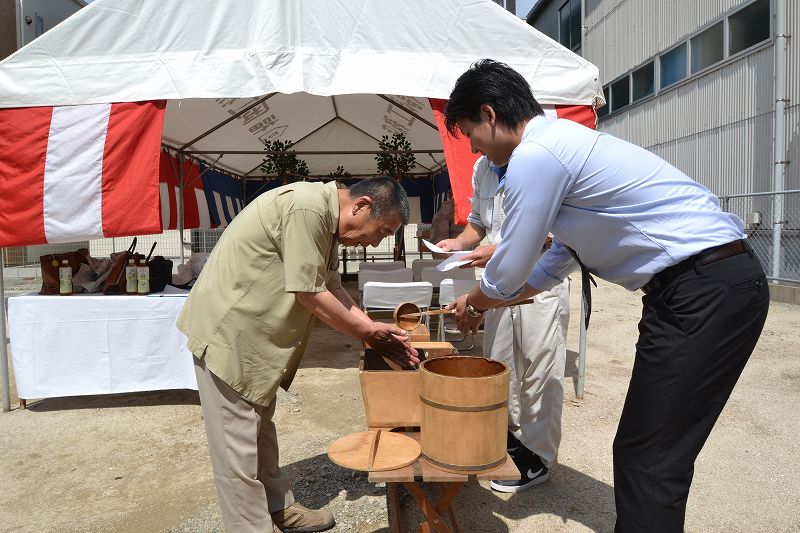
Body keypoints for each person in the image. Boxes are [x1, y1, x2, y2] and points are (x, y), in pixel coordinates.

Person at [444, 59, 769, 532]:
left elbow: (512, 263)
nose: (471, 144)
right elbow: (550, 265)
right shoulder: (561, 147)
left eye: (470, 130)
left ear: (489, 114)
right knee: (651, 450)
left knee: (650, 455)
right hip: (706, 285)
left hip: (702, 287)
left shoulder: (537, 155)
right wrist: (493, 298)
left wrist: (476, 303)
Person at [177, 177, 419, 533]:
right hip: (230, 335)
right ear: (362, 205)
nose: (375, 241)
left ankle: (280, 509)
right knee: (236, 452)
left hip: (255, 341)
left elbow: (332, 284)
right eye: (381, 231)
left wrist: (370, 326)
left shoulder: (325, 220)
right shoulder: (306, 207)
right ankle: (250, 527)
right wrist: (367, 332)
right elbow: (309, 293)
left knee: (259, 432)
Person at [435, 155, 569, 492]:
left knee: (540, 366)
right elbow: (478, 223)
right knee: (500, 363)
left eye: (472, 133)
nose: (473, 145)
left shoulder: (542, 160)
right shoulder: (482, 167)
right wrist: (461, 243)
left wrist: (492, 250)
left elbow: (552, 233)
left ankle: (538, 457)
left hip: (540, 279)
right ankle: (508, 437)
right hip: (495, 280)